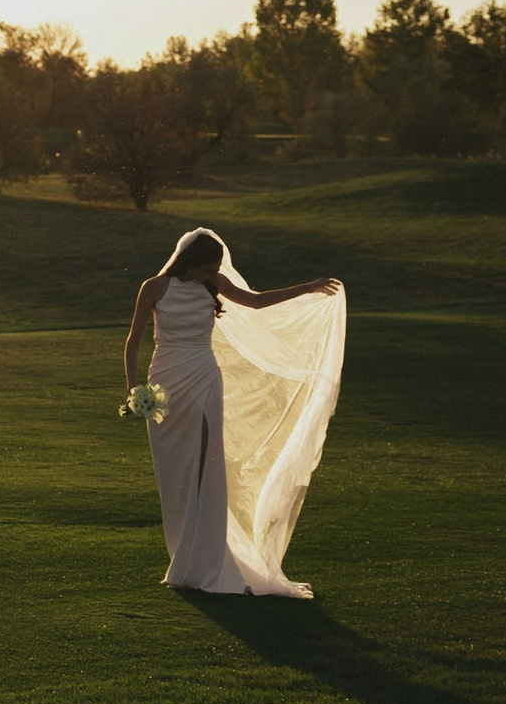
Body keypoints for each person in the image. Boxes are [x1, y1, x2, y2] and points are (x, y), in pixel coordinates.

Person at [121, 228, 345, 598]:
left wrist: (307, 287)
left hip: (204, 374)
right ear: (191, 263)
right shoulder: (155, 287)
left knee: (207, 465)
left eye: (215, 269)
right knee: (175, 469)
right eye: (208, 268)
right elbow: (133, 341)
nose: (213, 274)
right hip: (165, 380)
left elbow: (256, 302)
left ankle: (208, 558)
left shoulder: (216, 283)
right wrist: (133, 390)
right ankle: (185, 558)